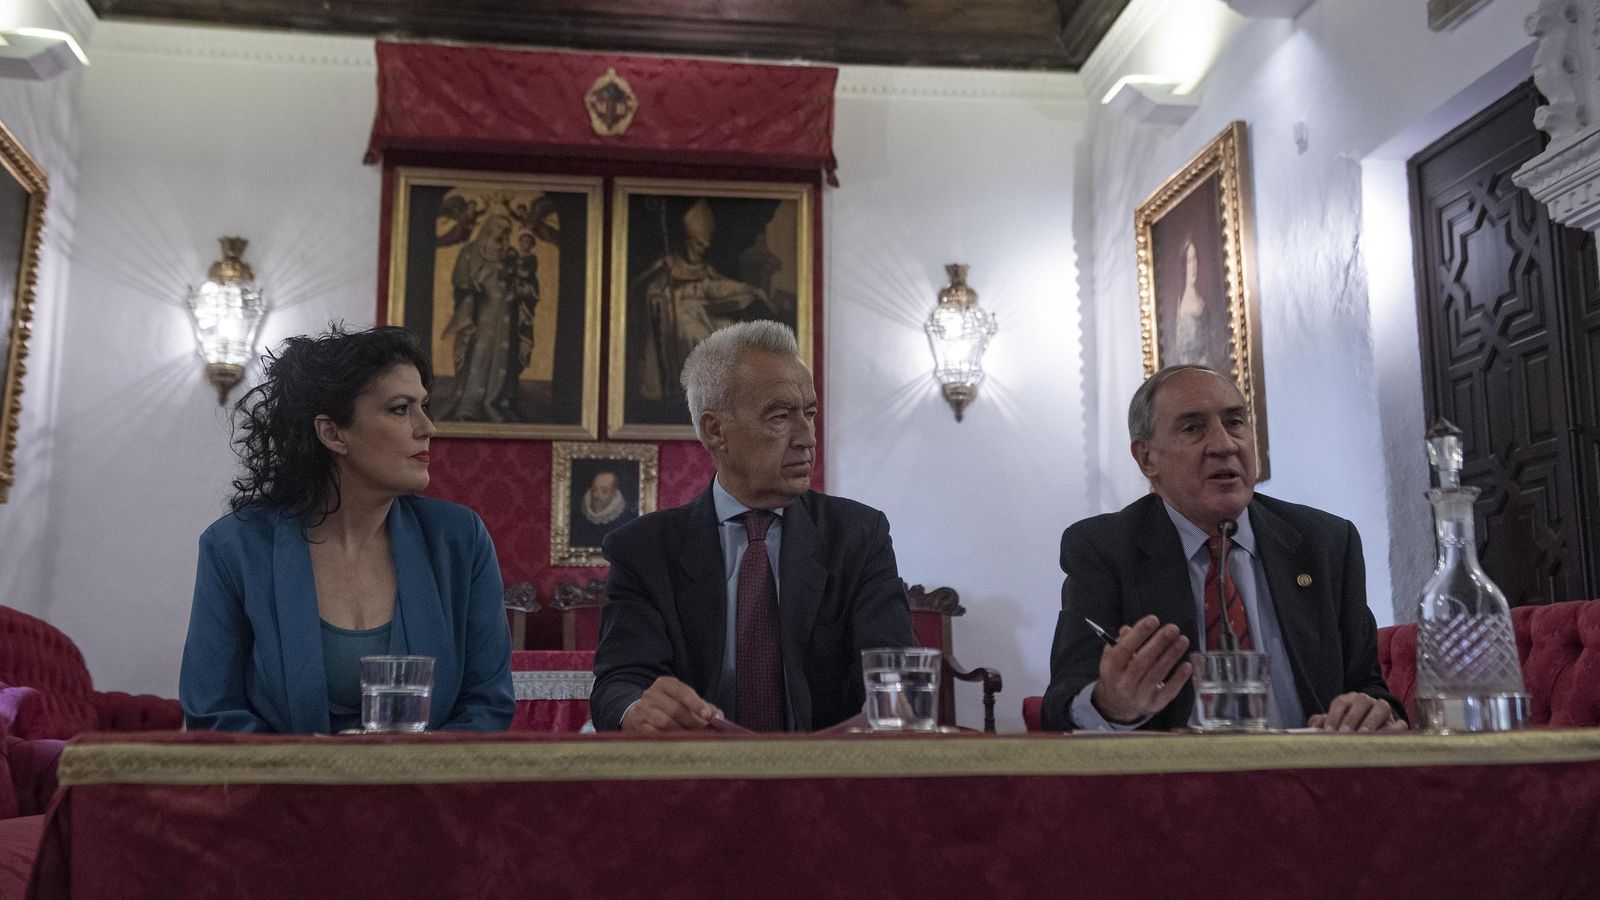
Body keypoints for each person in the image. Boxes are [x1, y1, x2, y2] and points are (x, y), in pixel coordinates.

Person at [179, 326, 514, 734]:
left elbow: (487, 706)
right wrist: (319, 775)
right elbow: (213, 713)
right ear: (333, 433)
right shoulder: (235, 547)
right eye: (400, 409)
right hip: (283, 794)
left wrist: (399, 776)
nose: (428, 427)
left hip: (425, 794)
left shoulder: (459, 539)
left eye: (424, 406)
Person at [1041, 365, 1406, 733]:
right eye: (1193, 428)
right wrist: (1113, 704)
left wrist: (1371, 714)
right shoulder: (1104, 547)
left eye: (1234, 423)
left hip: (1308, 777)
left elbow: (1372, 690)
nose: (1224, 445)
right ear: (1147, 458)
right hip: (1176, 782)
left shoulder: (1325, 541)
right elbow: (1061, 704)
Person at [591, 320, 915, 732]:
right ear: (716, 431)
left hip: (826, 777)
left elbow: (893, 670)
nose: (808, 438)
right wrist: (638, 709)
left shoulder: (858, 535)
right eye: (781, 416)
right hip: (698, 779)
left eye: (810, 413)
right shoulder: (644, 550)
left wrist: (893, 702)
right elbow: (618, 683)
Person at [635, 199, 769, 402]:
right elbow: (649, 291)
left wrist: (749, 290)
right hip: (679, 318)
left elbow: (715, 288)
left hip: (703, 314)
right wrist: (661, 292)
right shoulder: (665, 269)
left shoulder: (703, 269)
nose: (703, 248)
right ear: (686, 240)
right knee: (697, 335)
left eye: (705, 244)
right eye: (698, 243)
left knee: (730, 330)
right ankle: (707, 396)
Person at [438, 214, 517, 422]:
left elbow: (518, 279)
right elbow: (459, 279)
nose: (503, 233)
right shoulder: (470, 252)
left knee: (500, 356)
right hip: (479, 314)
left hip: (504, 315)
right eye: (500, 227)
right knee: (478, 354)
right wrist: (475, 282)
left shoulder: (509, 253)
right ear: (490, 228)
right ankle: (469, 404)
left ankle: (493, 401)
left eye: (506, 230)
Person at [1172, 239, 1223, 371]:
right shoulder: (1181, 305)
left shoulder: (1202, 298)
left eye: (1195, 259)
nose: (1193, 266)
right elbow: (1183, 356)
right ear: (1184, 266)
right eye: (1189, 261)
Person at [569, 469, 633, 549]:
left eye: (604, 491)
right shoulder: (576, 519)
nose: (596, 495)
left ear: (615, 493)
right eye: (594, 490)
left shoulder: (626, 521)